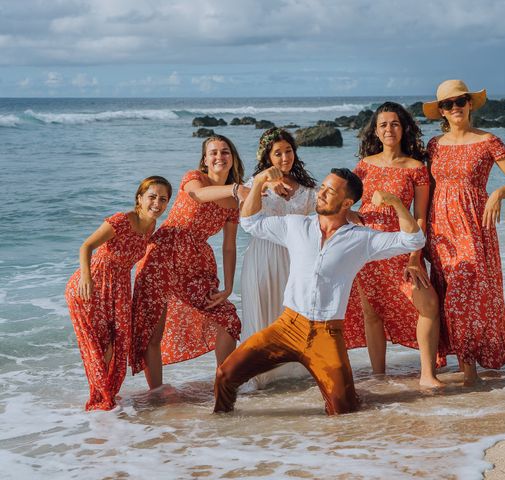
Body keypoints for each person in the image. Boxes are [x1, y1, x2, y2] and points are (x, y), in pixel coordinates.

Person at [213, 167, 426, 415]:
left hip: (327, 334)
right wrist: (260, 182)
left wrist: (396, 204)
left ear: (347, 202)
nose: (321, 194)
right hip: (286, 327)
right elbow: (250, 222)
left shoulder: (361, 239)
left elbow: (413, 240)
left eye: (330, 191)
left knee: (343, 409)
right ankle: (222, 429)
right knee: (225, 375)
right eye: (322, 188)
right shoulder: (295, 226)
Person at [422, 79, 505, 386]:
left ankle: (469, 369)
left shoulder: (489, 141)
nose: (454, 108)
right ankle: (461, 363)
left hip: (474, 226)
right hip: (439, 227)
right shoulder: (433, 146)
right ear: (441, 111)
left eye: (460, 101)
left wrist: (497, 194)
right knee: (446, 293)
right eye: (447, 104)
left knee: (465, 293)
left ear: (470, 104)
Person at [131, 135, 244, 390]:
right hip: (161, 256)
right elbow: (199, 195)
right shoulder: (194, 178)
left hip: (196, 264)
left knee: (228, 319)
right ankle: (156, 393)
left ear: (233, 158)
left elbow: (229, 245)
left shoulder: (233, 203)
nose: (219, 157)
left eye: (225, 152)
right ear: (205, 160)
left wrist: (228, 286)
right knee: (152, 332)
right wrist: (237, 188)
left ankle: (223, 385)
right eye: (213, 152)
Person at [343, 101, 443, 388]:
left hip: (401, 247)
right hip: (367, 250)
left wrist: (415, 258)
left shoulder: (416, 168)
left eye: (395, 123)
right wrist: (351, 214)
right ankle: (378, 376)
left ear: (404, 128)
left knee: (428, 305)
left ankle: (427, 374)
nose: (389, 129)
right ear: (375, 131)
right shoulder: (364, 166)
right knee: (372, 314)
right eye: (383, 124)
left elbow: (421, 217)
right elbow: (342, 199)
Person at [65, 176, 172, 410]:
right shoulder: (122, 220)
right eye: (152, 197)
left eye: (163, 199)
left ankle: (107, 396)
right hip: (92, 285)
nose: (157, 203)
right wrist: (86, 278)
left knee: (116, 344)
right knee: (102, 345)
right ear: (139, 198)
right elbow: (86, 246)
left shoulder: (151, 225)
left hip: (120, 288)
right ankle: (101, 399)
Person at [240, 128, 317, 388]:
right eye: (278, 153)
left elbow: (324, 221)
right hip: (261, 256)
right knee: (263, 315)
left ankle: (293, 379)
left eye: (289, 151)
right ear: (267, 157)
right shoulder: (255, 184)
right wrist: (262, 181)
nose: (285, 157)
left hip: (295, 258)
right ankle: (258, 378)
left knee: (291, 314)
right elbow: (246, 219)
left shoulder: (307, 189)